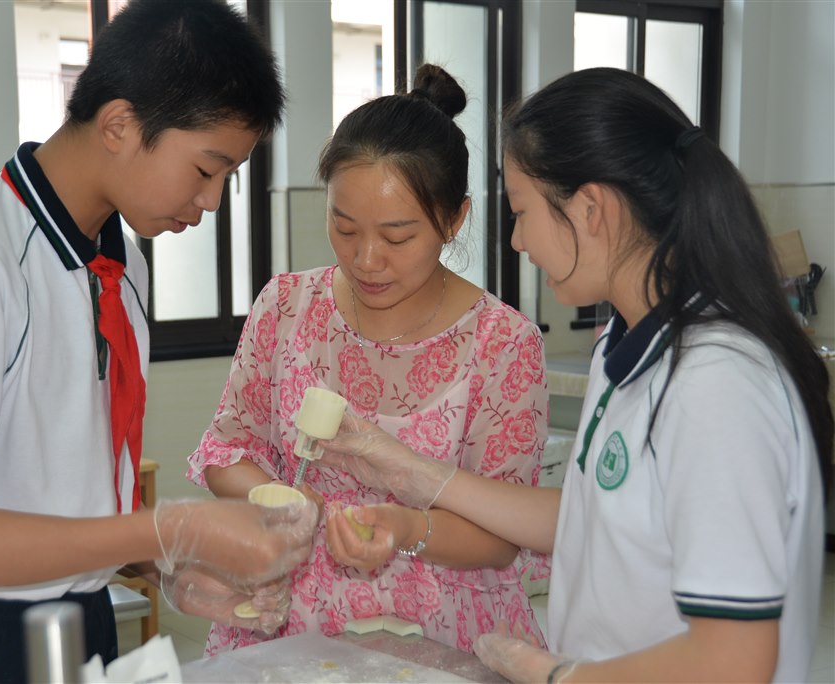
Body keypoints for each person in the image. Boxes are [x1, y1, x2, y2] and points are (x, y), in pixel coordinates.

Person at [0, 2, 318, 682]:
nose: (213, 201)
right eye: (205, 169)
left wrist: (163, 565)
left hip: (78, 615)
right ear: (119, 124)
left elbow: (61, 492)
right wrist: (170, 528)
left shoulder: (121, 268)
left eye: (229, 177)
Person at [320, 67, 834, 683]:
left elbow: (736, 660)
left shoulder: (716, 385)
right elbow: (592, 515)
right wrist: (409, 472)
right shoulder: (626, 343)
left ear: (590, 209)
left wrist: (556, 675)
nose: (517, 241)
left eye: (522, 212)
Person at [187, 64, 549, 657]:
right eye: (345, 227)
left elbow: (502, 536)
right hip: (287, 616)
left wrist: (407, 529)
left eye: (398, 237)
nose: (367, 259)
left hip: (440, 628)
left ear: (454, 219)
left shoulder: (503, 343)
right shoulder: (286, 306)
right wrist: (282, 501)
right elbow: (227, 453)